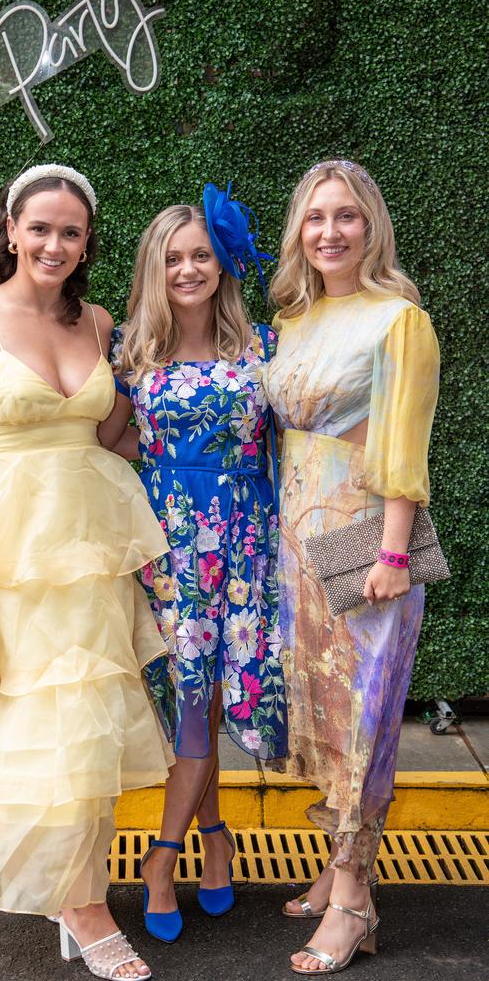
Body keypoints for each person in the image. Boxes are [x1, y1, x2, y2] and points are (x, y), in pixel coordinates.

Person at [0, 164, 175, 981]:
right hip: (8, 551)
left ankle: (76, 889)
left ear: (86, 244)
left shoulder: (98, 321)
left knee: (87, 717)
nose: (54, 243)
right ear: (11, 230)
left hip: (90, 545)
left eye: (71, 232)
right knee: (29, 721)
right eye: (41, 227)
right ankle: (83, 909)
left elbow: (117, 432)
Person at [262, 159, 439, 975]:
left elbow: (404, 447)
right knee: (323, 714)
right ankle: (336, 863)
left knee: (364, 719)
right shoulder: (292, 321)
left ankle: (355, 897)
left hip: (365, 536)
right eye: (314, 218)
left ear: (371, 226)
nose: (329, 232)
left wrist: (395, 553)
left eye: (347, 216)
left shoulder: (396, 319)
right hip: (295, 539)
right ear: (299, 230)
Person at [100, 186, 287, 943]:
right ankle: (191, 845)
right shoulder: (131, 357)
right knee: (188, 697)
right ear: (155, 269)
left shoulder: (265, 348)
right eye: (172, 258)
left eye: (200, 255)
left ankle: (181, 848)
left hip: (246, 539)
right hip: (172, 545)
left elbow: (306, 443)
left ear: (222, 263)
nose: (187, 269)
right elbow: (109, 446)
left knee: (212, 693)